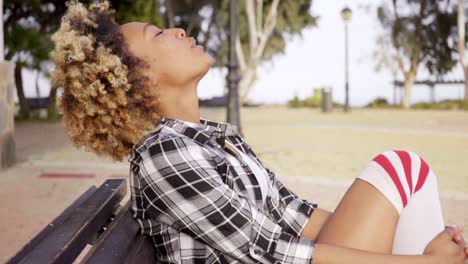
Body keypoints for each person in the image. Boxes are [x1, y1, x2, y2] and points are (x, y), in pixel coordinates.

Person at [50, 1, 468, 263]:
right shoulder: (163, 155)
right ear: (137, 81)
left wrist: (422, 244)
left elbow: (296, 216)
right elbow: (273, 253)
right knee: (399, 168)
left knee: (407, 176)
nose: (177, 31)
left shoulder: (214, 139)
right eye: (158, 36)